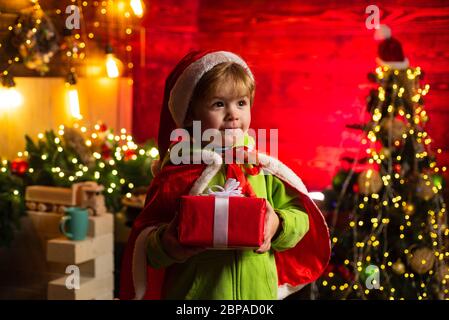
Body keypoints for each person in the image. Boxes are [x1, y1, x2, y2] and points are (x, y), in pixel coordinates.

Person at [119, 50, 330, 300]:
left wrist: (278, 225)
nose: (233, 114)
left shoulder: (259, 166)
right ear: (190, 113)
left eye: (241, 102)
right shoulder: (177, 171)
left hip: (257, 297)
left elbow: (301, 217)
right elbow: (146, 245)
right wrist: (168, 243)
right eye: (219, 104)